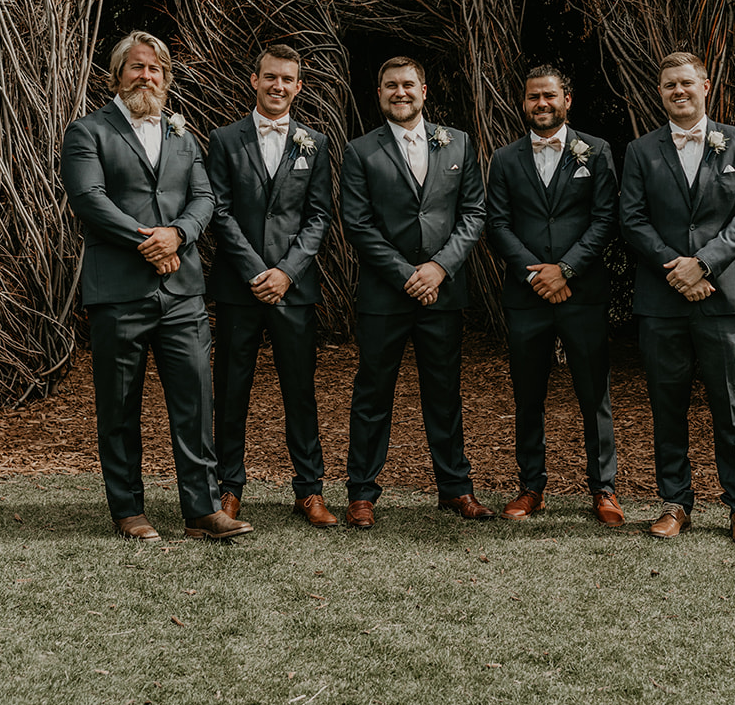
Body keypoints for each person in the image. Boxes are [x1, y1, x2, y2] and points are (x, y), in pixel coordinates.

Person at [60, 31, 252, 543]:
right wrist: (149, 241)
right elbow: (89, 199)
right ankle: (128, 510)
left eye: (156, 70)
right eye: (137, 67)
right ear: (117, 74)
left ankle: (203, 510)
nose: (147, 76)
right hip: (119, 291)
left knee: (195, 402)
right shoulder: (88, 132)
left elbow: (205, 197)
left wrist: (179, 235)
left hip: (183, 294)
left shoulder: (182, 136)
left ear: (167, 79)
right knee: (119, 407)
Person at [619, 51, 735, 545]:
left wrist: (703, 264)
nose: (677, 92)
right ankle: (674, 502)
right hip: (662, 300)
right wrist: (676, 269)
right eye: (668, 86)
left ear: (706, 85)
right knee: (667, 404)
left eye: (685, 83)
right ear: (659, 93)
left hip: (726, 297)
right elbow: (632, 220)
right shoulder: (641, 151)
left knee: (731, 405)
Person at [341, 56, 489, 527]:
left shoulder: (459, 143)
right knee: (372, 394)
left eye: (408, 85)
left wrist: (439, 268)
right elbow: (358, 224)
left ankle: (455, 488)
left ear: (425, 90)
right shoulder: (361, 150)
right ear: (379, 93)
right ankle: (362, 492)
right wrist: (408, 273)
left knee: (444, 393)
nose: (399, 92)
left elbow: (473, 214)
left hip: (442, 294)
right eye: (390, 86)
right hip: (386, 295)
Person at [486, 64, 624, 524]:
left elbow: (605, 220)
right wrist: (536, 275)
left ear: (567, 99)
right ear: (523, 103)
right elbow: (498, 224)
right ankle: (531, 487)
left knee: (593, 394)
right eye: (532, 97)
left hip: (582, 293)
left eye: (549, 96)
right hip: (527, 298)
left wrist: (564, 270)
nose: (540, 104)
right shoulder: (505, 159)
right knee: (528, 395)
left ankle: (603, 489)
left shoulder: (597, 151)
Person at [207, 43, 335, 527]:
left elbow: (320, 215)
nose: (278, 86)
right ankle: (228, 488)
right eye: (270, 78)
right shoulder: (224, 139)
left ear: (298, 86)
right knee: (231, 389)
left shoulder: (315, 143)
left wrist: (286, 272)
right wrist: (256, 270)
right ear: (255, 81)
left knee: (300, 391)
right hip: (240, 288)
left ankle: (309, 491)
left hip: (294, 289)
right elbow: (218, 210)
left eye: (287, 79)